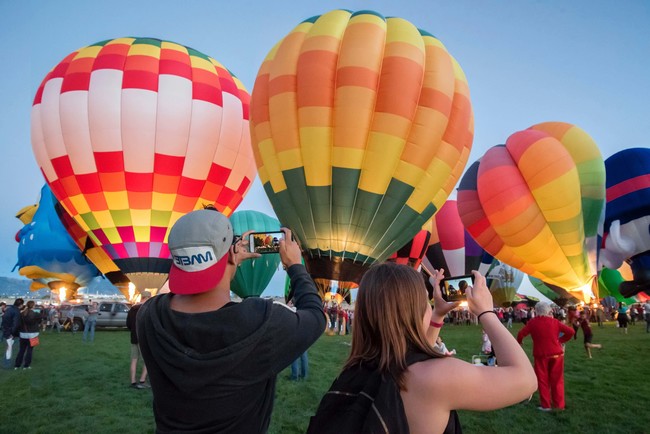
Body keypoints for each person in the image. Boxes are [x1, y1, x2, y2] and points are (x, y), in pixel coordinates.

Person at [137, 208, 326, 433]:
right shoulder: (261, 322)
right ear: (230, 254)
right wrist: (295, 265)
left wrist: (226, 262)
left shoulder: (148, 317)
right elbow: (315, 316)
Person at [308, 265, 537, 433]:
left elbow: (411, 357)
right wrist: (486, 312)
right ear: (414, 309)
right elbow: (525, 379)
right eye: (425, 302)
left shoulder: (357, 368)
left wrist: (437, 314)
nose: (429, 307)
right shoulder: (435, 376)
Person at [517, 301, 575, 411]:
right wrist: (560, 341)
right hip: (557, 354)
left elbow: (521, 334)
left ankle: (546, 405)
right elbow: (571, 332)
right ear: (548, 311)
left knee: (543, 380)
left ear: (536, 311)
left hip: (541, 355)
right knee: (557, 380)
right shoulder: (555, 322)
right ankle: (559, 405)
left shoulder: (533, 323)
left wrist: (519, 342)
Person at [127, 290, 151, 389]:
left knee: (134, 359)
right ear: (148, 298)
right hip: (144, 338)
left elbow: (128, 324)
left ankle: (133, 382)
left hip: (133, 337)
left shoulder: (132, 309)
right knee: (147, 360)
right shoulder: (147, 309)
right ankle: (142, 380)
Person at [14, 300, 40, 369]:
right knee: (30, 350)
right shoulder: (35, 314)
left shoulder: (22, 314)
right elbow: (39, 320)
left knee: (21, 350)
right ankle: (26, 365)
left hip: (23, 334)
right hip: (33, 334)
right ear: (33, 306)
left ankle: (17, 365)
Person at [2, 298, 23, 367]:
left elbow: (4, 320)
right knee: (11, 347)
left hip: (6, 330)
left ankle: (7, 361)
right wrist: (12, 333)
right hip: (11, 332)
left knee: (9, 346)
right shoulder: (16, 311)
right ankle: (7, 362)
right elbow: (16, 324)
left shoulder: (9, 309)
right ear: (21, 305)